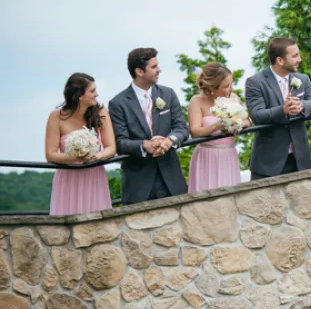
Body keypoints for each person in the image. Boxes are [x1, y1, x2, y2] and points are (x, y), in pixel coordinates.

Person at [108, 47, 189, 204]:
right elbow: (120, 142)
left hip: (172, 181)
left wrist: (170, 140)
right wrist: (144, 145)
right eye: (154, 67)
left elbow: (182, 128)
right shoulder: (118, 103)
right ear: (139, 71)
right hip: (138, 185)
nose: (159, 70)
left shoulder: (168, 94)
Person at [245, 37, 311, 180]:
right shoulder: (255, 82)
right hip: (268, 163)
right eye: (295, 56)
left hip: (300, 160)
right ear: (280, 60)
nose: (299, 59)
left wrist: (302, 105)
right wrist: (283, 110)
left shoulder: (303, 79)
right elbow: (257, 115)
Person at [45, 73, 115, 215]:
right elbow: (50, 154)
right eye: (92, 91)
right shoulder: (56, 117)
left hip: (94, 175)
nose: (97, 94)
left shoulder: (101, 113)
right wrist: (76, 157)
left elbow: (111, 148)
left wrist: (96, 156)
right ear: (79, 95)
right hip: (68, 178)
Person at [187, 62, 248, 192]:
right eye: (226, 86)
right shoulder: (197, 101)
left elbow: (247, 121)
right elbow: (195, 131)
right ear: (212, 88)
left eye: (231, 83)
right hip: (206, 156)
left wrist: (238, 124)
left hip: (228, 155)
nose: (231, 88)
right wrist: (217, 126)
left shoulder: (234, 98)